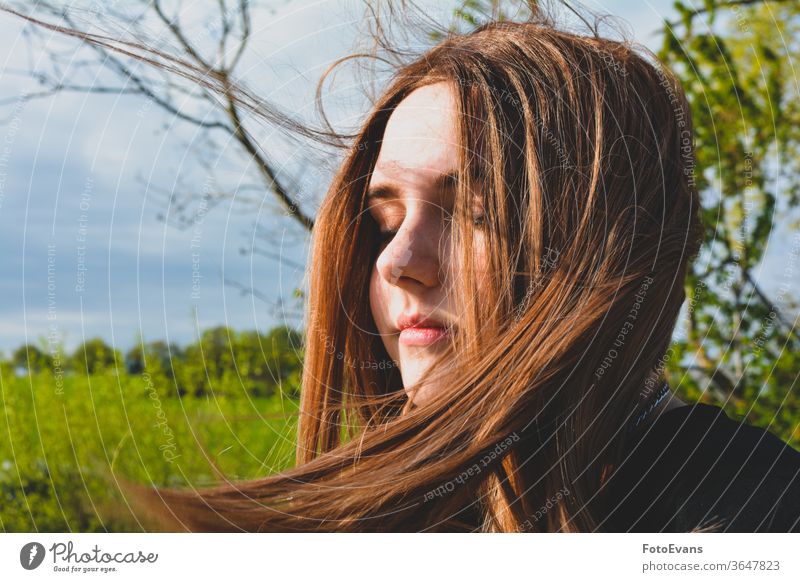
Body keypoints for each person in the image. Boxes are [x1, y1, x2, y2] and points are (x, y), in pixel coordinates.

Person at [6, 2, 799, 532]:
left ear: (604, 244)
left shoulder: (754, 517)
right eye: (383, 220)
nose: (399, 263)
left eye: (476, 212)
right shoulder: (396, 528)